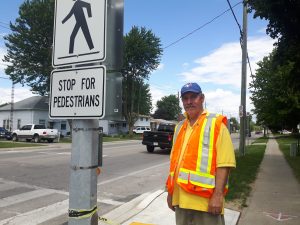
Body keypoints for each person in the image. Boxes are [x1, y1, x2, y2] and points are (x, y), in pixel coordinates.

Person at [166, 82, 236, 225]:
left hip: (206, 203)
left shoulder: (216, 124)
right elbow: (175, 164)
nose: (189, 102)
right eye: (185, 98)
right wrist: (170, 192)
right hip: (180, 201)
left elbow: (224, 164)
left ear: (202, 98)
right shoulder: (179, 127)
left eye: (193, 97)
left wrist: (218, 196)